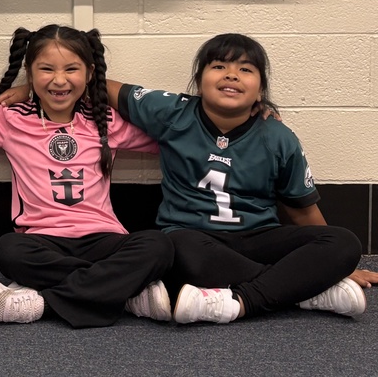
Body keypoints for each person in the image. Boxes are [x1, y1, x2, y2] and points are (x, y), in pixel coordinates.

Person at [114, 33, 376, 324]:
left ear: (260, 91)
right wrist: (320, 274)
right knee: (174, 250)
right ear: (199, 81)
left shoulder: (278, 137)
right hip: (193, 237)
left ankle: (239, 301)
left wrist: (340, 264)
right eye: (218, 66)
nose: (232, 75)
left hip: (258, 238)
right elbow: (104, 88)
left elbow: (303, 211)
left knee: (344, 242)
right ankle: (303, 292)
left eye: (246, 69)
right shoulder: (173, 113)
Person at [0, 25, 173, 328]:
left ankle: (43, 302)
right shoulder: (11, 119)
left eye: (71, 69)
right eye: (46, 70)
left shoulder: (105, 121)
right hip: (40, 240)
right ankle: (124, 292)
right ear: (30, 73)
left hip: (104, 238)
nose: (59, 80)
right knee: (8, 250)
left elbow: (174, 138)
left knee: (159, 246)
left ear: (88, 74)